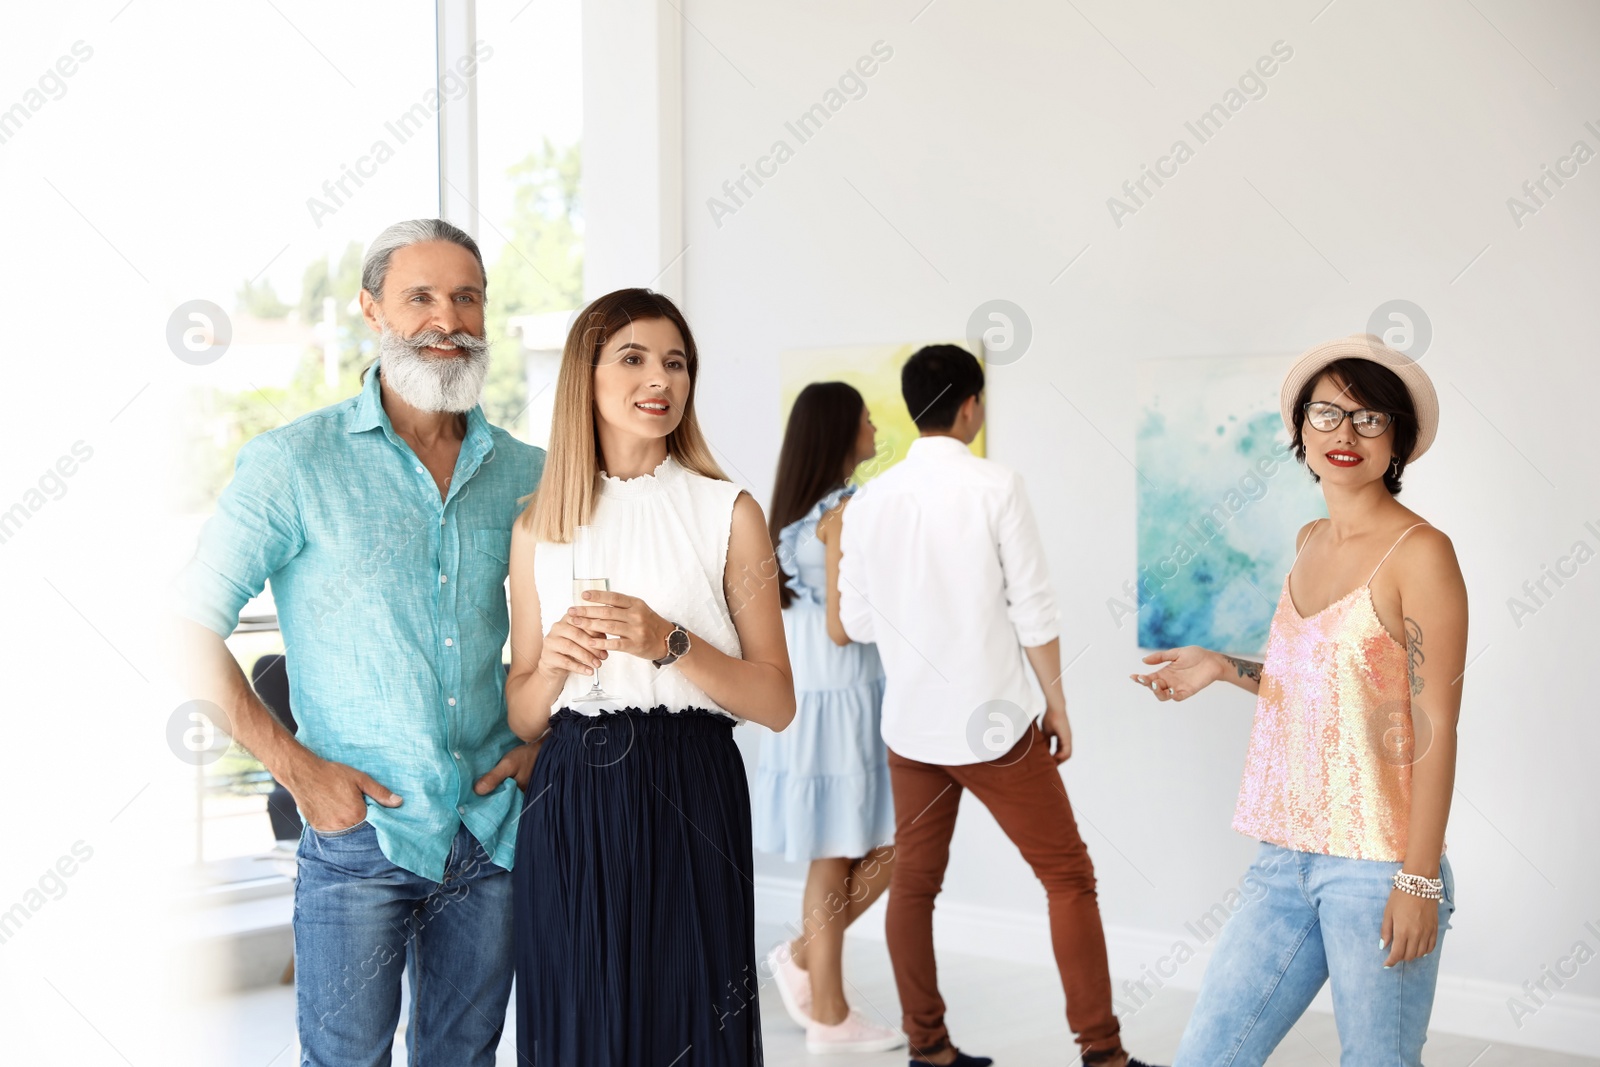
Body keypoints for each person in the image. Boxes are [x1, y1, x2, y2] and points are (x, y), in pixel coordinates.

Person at [176, 218, 545, 1066]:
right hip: (355, 837)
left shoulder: (528, 473)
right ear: (371, 310)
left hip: (489, 831)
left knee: (465, 1059)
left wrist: (540, 742)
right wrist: (298, 770)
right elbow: (185, 625)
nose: (445, 319)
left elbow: (565, 634)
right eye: (420, 296)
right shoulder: (292, 464)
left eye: (466, 297)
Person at [1131, 334, 1466, 1066]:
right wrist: (1223, 665)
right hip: (1284, 854)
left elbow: (1433, 727)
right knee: (1208, 1055)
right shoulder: (1308, 538)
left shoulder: (1421, 553)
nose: (1346, 433)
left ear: (1398, 440)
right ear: (1301, 432)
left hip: (1378, 863)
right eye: (1328, 413)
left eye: (1371, 417)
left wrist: (1416, 879)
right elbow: (1320, 691)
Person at [839, 345, 1160, 1067]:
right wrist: (1058, 704)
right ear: (971, 406)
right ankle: (1103, 1053)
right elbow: (1035, 611)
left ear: (912, 404)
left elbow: (856, 624)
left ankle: (929, 1048)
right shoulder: (996, 484)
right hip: (996, 726)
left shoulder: (869, 501)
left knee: (914, 887)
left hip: (912, 730)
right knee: (1068, 878)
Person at [505, 287, 796, 1066]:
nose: (658, 378)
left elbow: (776, 701)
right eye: (632, 358)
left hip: (691, 784)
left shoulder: (727, 512)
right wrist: (554, 666)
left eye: (675, 362)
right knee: (580, 1020)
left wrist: (671, 643)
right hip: (570, 794)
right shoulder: (538, 526)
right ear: (585, 377)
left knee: (690, 1016)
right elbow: (526, 713)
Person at [755, 381, 902, 1054]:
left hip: (810, 696)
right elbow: (847, 628)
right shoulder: (847, 511)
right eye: (868, 418)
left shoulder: (789, 516)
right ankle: (830, 1011)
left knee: (841, 848)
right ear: (843, 431)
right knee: (854, 848)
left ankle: (807, 963)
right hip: (842, 693)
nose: (876, 426)